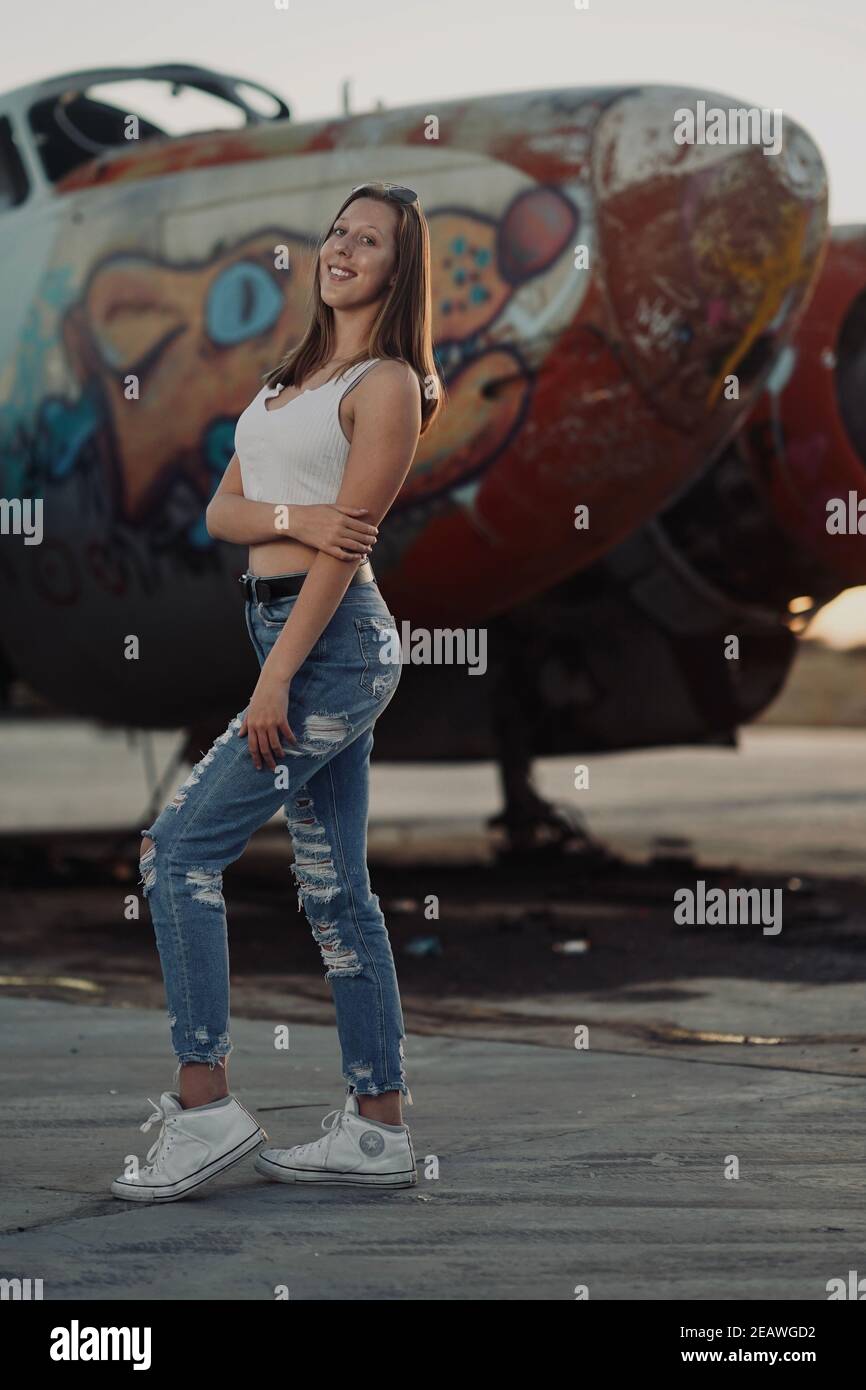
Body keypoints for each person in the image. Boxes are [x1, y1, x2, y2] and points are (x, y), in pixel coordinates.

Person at [111, 182, 443, 1202]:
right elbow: (220, 513)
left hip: (329, 643)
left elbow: (346, 552)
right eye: (336, 231)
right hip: (288, 624)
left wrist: (276, 677)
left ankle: (205, 1105)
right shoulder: (289, 380)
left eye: (368, 240)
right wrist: (297, 510)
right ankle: (378, 1127)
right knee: (335, 888)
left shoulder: (386, 384)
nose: (340, 248)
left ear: (398, 268)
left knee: (176, 853)